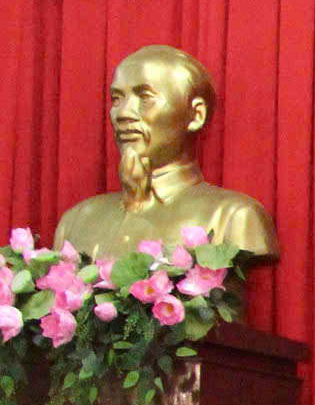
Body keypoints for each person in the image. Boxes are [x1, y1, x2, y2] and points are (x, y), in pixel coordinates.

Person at [55, 44, 279, 264]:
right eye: (117, 99)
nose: (122, 113)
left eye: (145, 97)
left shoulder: (234, 217)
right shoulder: (76, 221)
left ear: (196, 115)